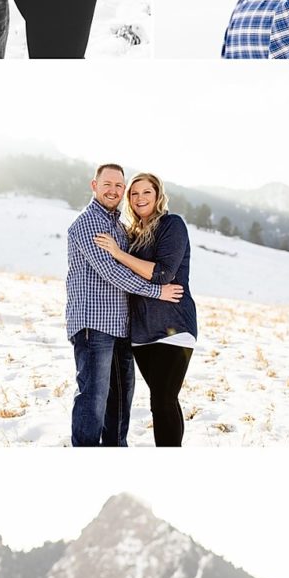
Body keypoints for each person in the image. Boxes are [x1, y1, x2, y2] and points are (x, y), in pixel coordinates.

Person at [65, 164, 183, 448]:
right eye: (108, 184)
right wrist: (157, 291)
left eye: (119, 185)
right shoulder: (89, 223)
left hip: (120, 327)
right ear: (94, 185)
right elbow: (113, 272)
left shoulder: (117, 225)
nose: (113, 190)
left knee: (120, 399)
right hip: (94, 325)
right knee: (94, 397)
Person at [91, 174, 197, 447]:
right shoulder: (133, 234)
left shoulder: (171, 225)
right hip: (141, 333)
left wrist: (118, 253)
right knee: (165, 401)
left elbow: (163, 274)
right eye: (134, 194)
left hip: (174, 328)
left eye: (146, 192)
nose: (140, 198)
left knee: (161, 401)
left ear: (158, 195)